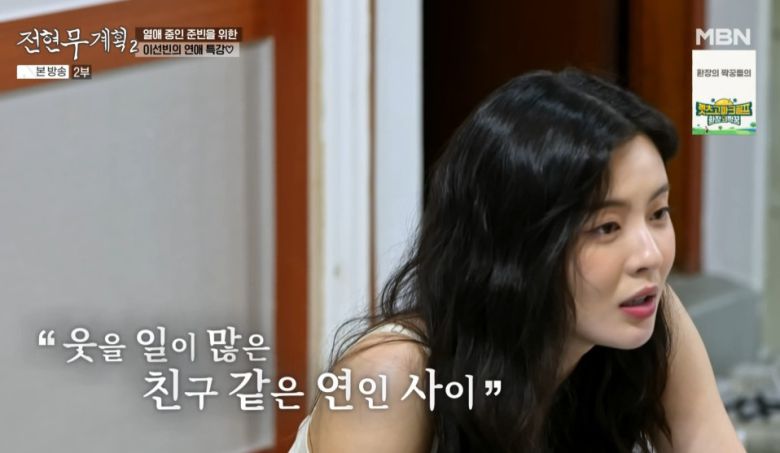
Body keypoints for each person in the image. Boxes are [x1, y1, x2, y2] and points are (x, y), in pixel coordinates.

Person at [290, 68, 745, 452]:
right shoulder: (391, 380)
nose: (650, 256)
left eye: (658, 213)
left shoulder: (649, 311)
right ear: (518, 244)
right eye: (607, 227)